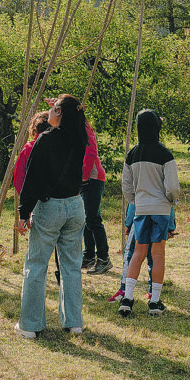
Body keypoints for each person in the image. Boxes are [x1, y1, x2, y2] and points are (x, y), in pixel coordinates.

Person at [15, 95, 88, 337]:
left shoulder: (45, 141)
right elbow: (79, 118)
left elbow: (33, 178)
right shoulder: (80, 138)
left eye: (55, 110)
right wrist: (66, 104)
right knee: (71, 267)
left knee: (36, 265)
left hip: (51, 207)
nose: (50, 113)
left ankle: (30, 325)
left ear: (62, 115)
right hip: (76, 205)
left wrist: (23, 212)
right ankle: (74, 322)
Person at [119, 109, 179, 317]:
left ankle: (127, 298)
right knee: (158, 254)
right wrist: (171, 201)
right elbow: (172, 187)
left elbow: (126, 186)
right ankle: (154, 301)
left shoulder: (132, 154)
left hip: (141, 208)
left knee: (138, 253)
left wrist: (136, 202)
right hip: (161, 210)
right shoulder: (165, 154)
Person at [80, 117, 111, 274]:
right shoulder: (72, 125)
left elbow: (91, 151)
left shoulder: (84, 127)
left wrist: (84, 174)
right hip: (83, 179)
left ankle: (104, 259)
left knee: (93, 219)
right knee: (85, 219)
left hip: (92, 178)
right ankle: (89, 255)